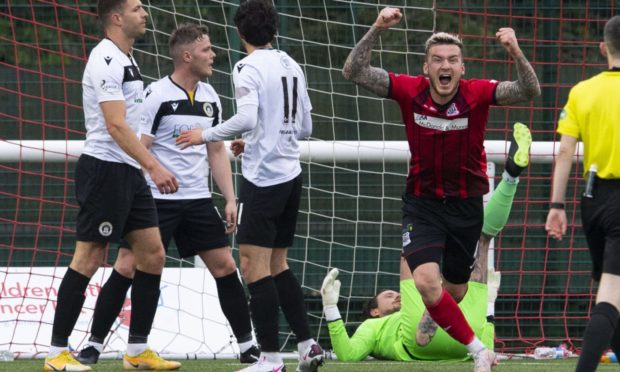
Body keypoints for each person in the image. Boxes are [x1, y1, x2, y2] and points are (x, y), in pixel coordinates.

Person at [341, 7, 540, 372]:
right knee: (426, 282)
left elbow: (530, 90)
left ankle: (439, 311)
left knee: (457, 290)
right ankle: (480, 350)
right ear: (426, 68)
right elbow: (352, 70)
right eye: (436, 60)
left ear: (462, 68)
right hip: (423, 204)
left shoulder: (478, 94)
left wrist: (514, 50)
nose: (444, 65)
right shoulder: (408, 90)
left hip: (465, 206)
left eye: (452, 60)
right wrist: (377, 27)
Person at [74, 23, 260, 366]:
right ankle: (94, 345)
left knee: (225, 266)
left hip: (198, 201)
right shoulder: (155, 95)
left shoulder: (210, 98)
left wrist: (230, 198)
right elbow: (138, 147)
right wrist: (152, 178)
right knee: (127, 266)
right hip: (156, 202)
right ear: (187, 56)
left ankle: (248, 346)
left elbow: (216, 151)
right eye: (206, 50)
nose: (213, 55)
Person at [175, 1, 323, 372]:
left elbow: (248, 115)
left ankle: (270, 359)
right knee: (278, 264)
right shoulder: (292, 64)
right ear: (274, 30)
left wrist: (204, 134)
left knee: (252, 265)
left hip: (264, 179)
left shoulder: (246, 66)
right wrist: (257, 140)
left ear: (240, 33)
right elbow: (305, 126)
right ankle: (308, 346)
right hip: (291, 175)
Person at [44, 0, 181, 371]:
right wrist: (153, 166)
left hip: (128, 172)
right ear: (116, 17)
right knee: (89, 257)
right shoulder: (105, 58)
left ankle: (136, 351)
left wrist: (141, 168)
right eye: (137, 8)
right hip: (105, 170)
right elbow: (116, 125)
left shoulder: (128, 57)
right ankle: (57, 353)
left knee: (152, 254)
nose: (145, 13)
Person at [320, 125, 529, 361]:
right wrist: (330, 307)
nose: (395, 297)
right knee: (425, 254)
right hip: (437, 335)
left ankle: (510, 175)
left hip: (464, 342)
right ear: (374, 312)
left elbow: (488, 344)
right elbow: (347, 355)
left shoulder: (392, 319)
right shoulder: (373, 326)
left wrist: (489, 309)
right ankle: (508, 179)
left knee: (480, 242)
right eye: (388, 296)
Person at [545, 15, 620, 372]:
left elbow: (564, 153)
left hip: (593, 202)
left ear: (603, 48)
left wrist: (556, 205)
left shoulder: (582, 90)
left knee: (612, 291)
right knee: (611, 296)